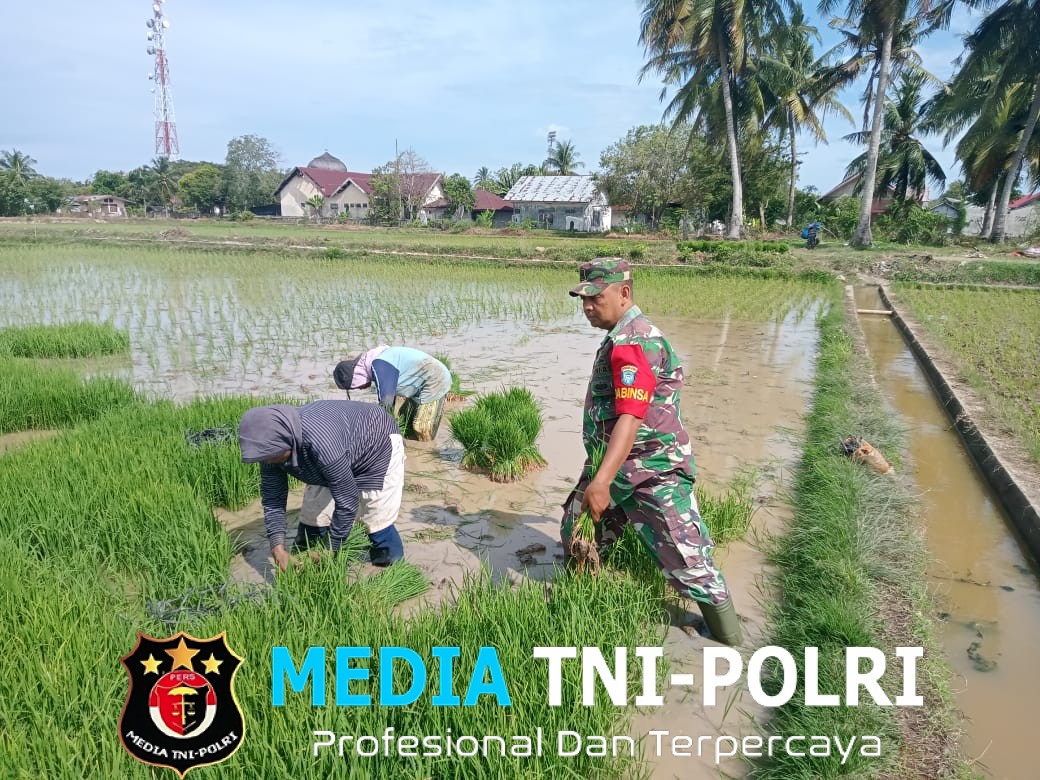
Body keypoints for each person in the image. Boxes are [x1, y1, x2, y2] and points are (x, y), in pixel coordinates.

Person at [561, 258, 742, 645]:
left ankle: (729, 640)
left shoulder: (634, 342)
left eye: (596, 297)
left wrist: (602, 481)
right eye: (583, 299)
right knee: (576, 529)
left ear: (624, 293)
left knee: (687, 558)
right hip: (614, 466)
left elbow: (630, 416)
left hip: (649, 472)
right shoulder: (621, 337)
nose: (588, 307)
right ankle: (580, 609)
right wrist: (600, 476)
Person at [238, 400, 406, 569]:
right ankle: (309, 565)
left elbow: (348, 500)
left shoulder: (320, 441)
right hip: (334, 454)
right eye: (265, 458)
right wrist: (278, 549)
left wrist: (330, 548)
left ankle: (389, 565)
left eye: (274, 457)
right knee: (313, 522)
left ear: (288, 440)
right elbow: (273, 499)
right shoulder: (270, 449)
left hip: (377, 447)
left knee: (375, 520)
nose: (269, 462)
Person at [334, 346, 452, 442]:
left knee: (421, 427)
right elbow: (390, 396)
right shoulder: (373, 364)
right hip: (420, 384)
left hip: (435, 379)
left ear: (356, 377)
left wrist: (376, 433)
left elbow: (386, 403)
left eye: (355, 386)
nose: (359, 389)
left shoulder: (379, 365)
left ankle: (426, 455)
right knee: (405, 424)